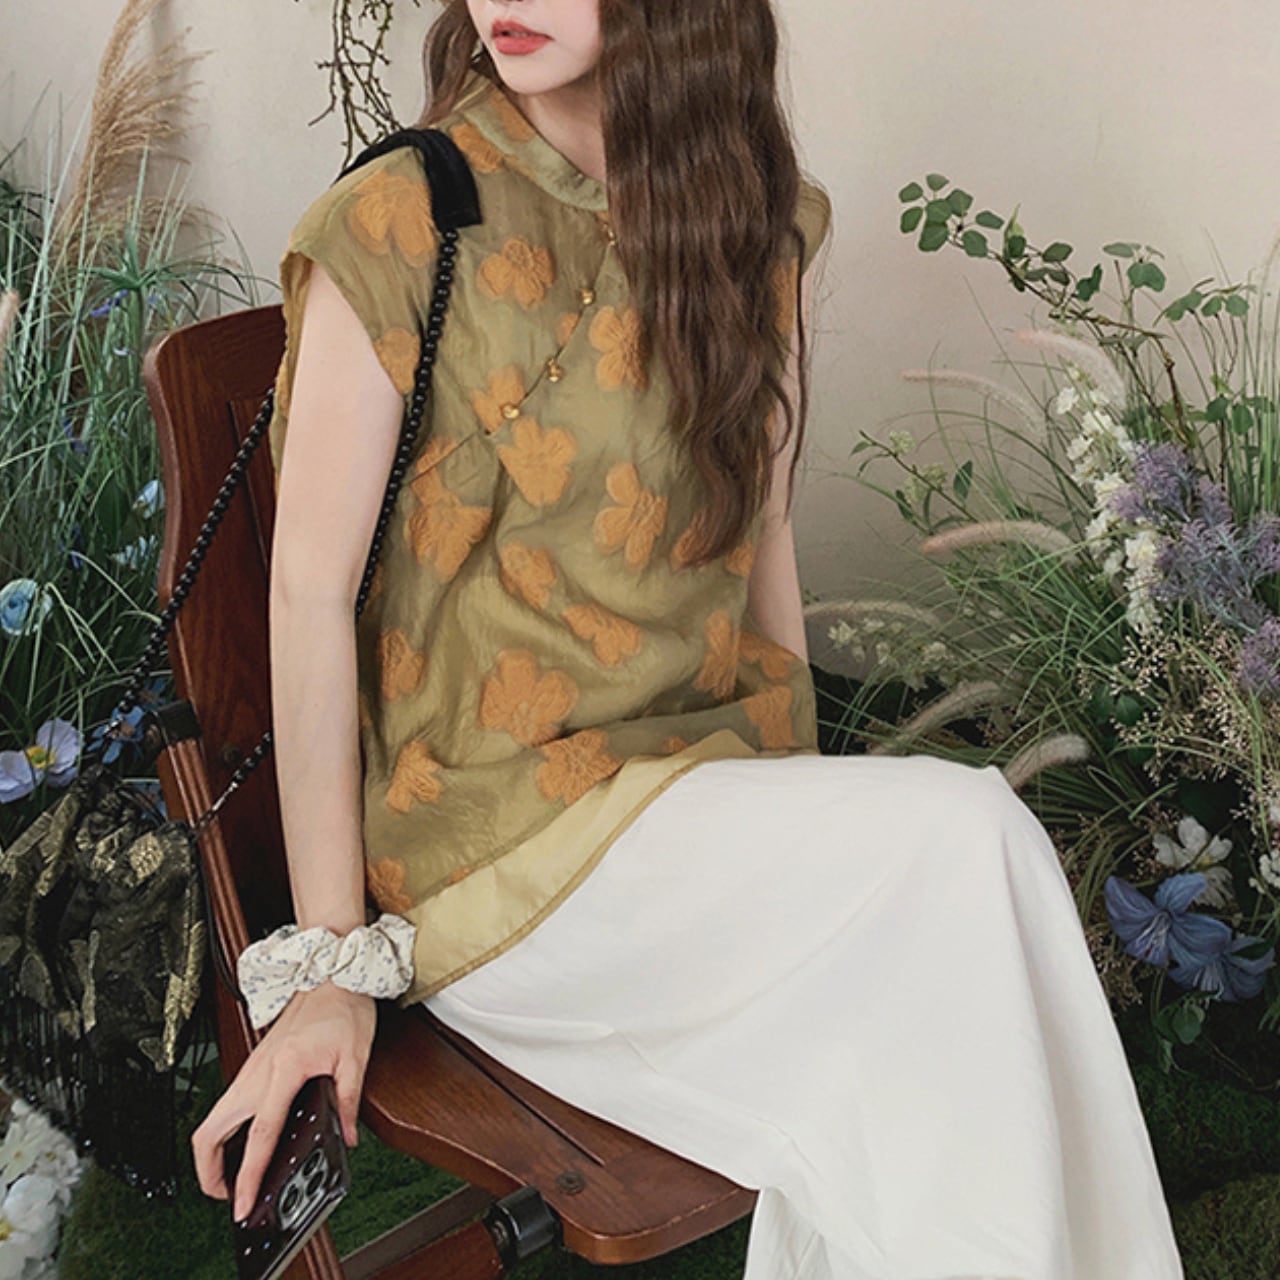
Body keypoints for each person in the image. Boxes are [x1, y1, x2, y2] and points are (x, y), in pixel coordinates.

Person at [192, 2, 1187, 1276]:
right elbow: (307, 592)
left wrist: (808, 815)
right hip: (495, 853)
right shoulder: (402, 221)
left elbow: (758, 530)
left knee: (942, 953)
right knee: (969, 847)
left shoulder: (745, 219)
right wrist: (328, 967)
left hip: (699, 807)